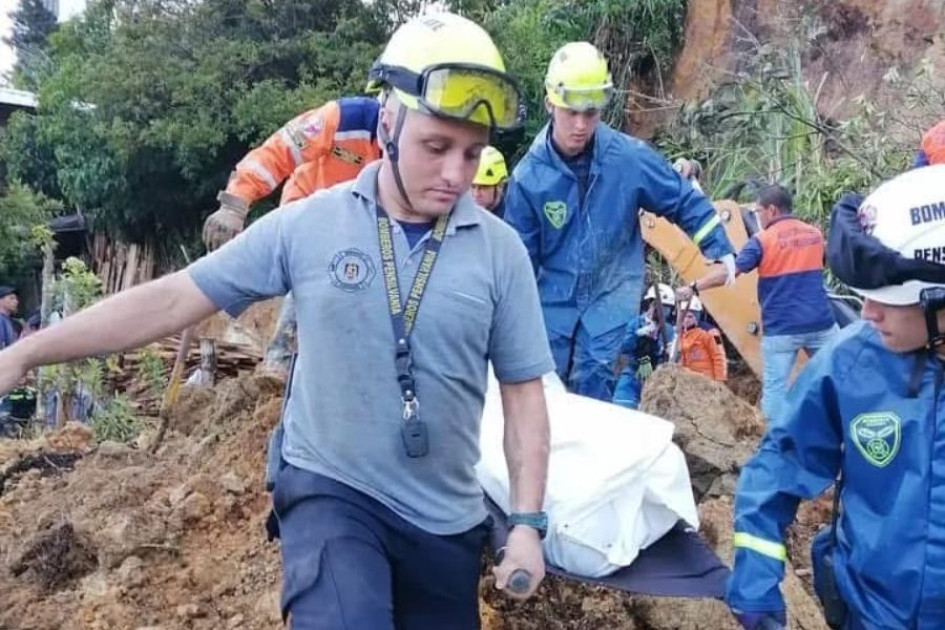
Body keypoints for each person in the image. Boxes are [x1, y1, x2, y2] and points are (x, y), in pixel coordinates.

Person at [0, 12, 554, 629]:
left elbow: (525, 397)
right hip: (332, 493)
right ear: (389, 123)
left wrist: (528, 523)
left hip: (446, 521)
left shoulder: (501, 254)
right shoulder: (310, 225)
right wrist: (26, 353)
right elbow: (172, 299)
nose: (457, 174)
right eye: (437, 147)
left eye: (473, 153)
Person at [727, 164, 945, 630]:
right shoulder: (852, 362)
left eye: (885, 297)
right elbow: (777, 467)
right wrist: (755, 583)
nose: (866, 312)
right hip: (872, 615)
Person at [503, 41, 735, 402]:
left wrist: (720, 249)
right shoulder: (528, 179)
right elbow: (518, 264)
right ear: (550, 103)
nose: (581, 125)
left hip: (611, 290)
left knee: (595, 378)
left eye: (591, 113)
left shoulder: (627, 159)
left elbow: (681, 197)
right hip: (552, 300)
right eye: (571, 113)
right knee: (545, 384)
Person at [202, 96, 382, 378]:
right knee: (308, 266)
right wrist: (235, 203)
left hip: (361, 225)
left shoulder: (419, 150)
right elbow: (279, 151)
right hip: (307, 206)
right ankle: (278, 358)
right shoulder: (344, 118)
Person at [677, 184, 837, 422]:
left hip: (782, 330)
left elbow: (729, 274)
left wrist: (693, 287)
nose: (757, 216)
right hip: (821, 325)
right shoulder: (814, 235)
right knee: (840, 375)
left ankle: (774, 441)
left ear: (771, 210)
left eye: (757, 211)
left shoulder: (762, 241)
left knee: (775, 391)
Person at [612, 283, 675, 409]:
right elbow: (624, 347)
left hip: (655, 379)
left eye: (667, 309)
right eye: (661, 308)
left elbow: (670, 358)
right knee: (621, 407)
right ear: (651, 304)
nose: (663, 313)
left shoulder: (668, 330)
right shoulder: (636, 323)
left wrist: (665, 348)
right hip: (633, 372)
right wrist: (638, 335)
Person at [676, 296, 726, 383]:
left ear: (697, 315)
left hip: (706, 381)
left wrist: (720, 380)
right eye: (684, 316)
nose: (686, 320)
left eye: (690, 316)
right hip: (688, 381)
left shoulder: (710, 332)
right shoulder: (681, 333)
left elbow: (719, 356)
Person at [471, 145, 509, 217]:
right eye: (473, 186)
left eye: (484, 187)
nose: (476, 194)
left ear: (500, 185)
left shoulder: (513, 219)